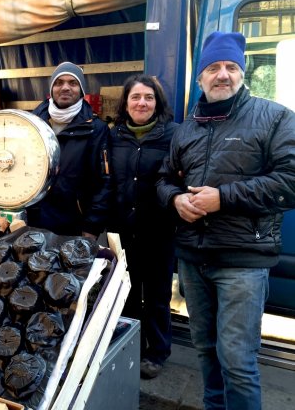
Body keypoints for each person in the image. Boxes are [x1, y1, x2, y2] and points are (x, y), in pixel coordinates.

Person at [157, 31, 295, 409]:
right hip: (192, 258)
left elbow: (291, 182)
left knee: (237, 361)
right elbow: (165, 178)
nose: (223, 74)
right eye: (213, 67)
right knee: (206, 351)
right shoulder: (187, 128)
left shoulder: (275, 117)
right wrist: (175, 199)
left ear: (242, 72)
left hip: (242, 262)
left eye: (231, 67)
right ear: (200, 78)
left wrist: (224, 198)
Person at [107, 74, 177, 379]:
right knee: (128, 292)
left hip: (159, 230)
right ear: (126, 102)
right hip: (123, 230)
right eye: (135, 97)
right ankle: (131, 346)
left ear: (157, 103)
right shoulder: (114, 135)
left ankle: (157, 352)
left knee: (158, 295)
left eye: (148, 97)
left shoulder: (174, 135)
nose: (142, 103)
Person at [26, 62, 111, 239]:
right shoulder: (32, 124)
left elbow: (105, 182)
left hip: (74, 225)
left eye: (73, 83)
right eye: (59, 82)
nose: (65, 87)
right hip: (33, 221)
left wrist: (92, 226)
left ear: (81, 90)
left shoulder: (96, 129)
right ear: (51, 89)